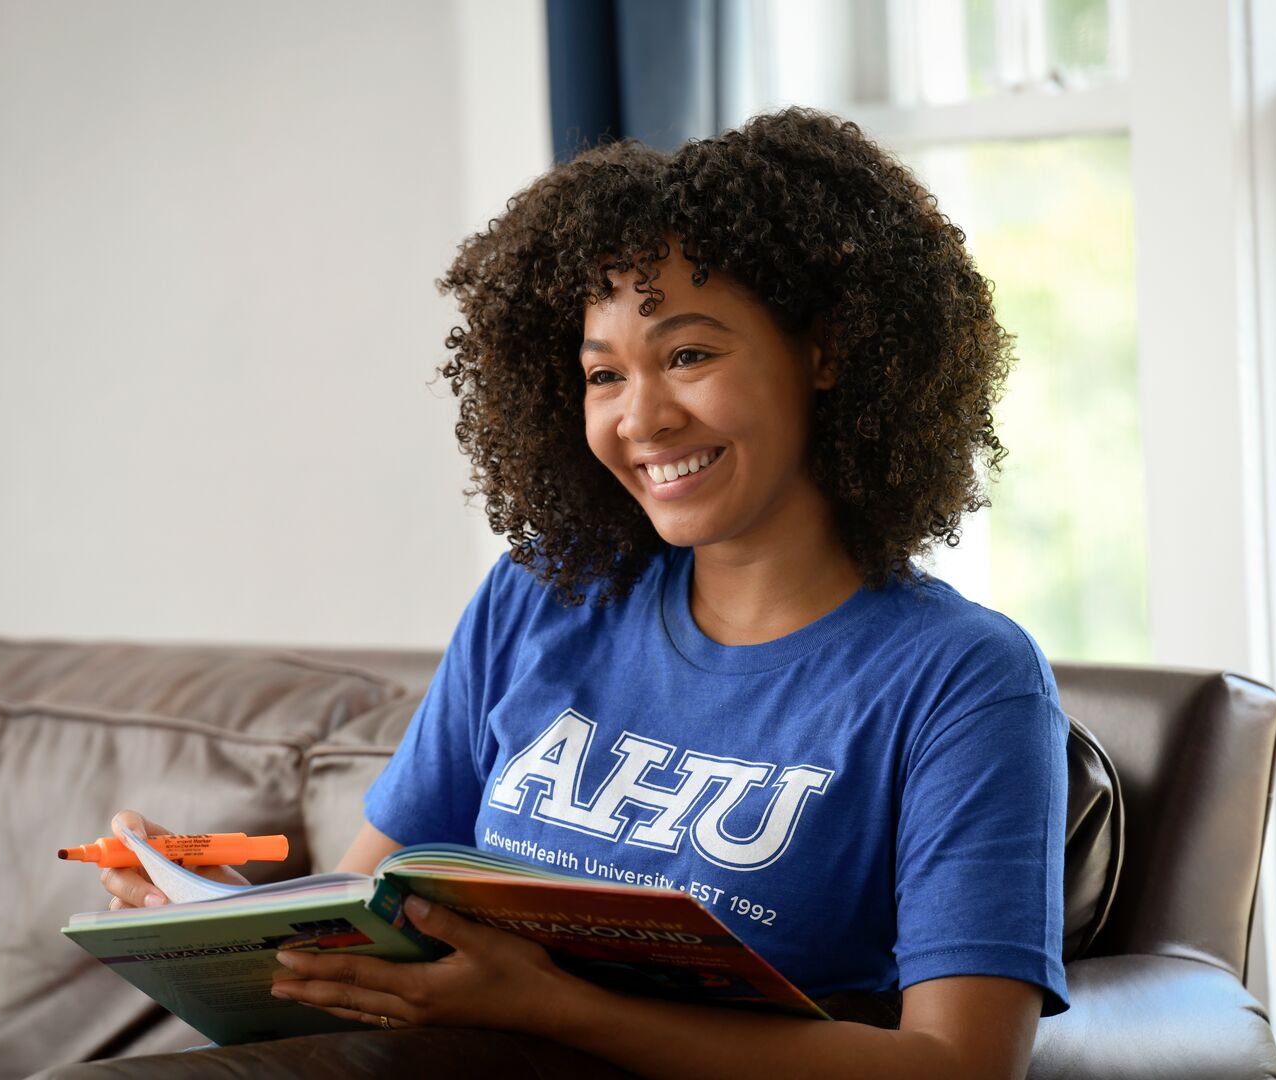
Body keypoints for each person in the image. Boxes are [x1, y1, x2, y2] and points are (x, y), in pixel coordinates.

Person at [102, 107, 1070, 1080]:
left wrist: (559, 1009)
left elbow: (962, 1064)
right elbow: (366, 908)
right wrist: (220, 914)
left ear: (826, 352)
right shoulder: (544, 593)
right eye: (604, 374)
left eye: (689, 355)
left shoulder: (963, 681)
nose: (641, 418)